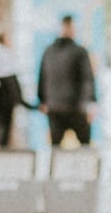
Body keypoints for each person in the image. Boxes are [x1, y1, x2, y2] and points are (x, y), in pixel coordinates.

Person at [37, 14, 98, 146]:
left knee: (80, 147)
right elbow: (42, 77)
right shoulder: (50, 51)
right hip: (62, 108)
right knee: (64, 147)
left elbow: (87, 79)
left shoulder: (76, 51)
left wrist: (90, 102)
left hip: (72, 107)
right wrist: (42, 100)